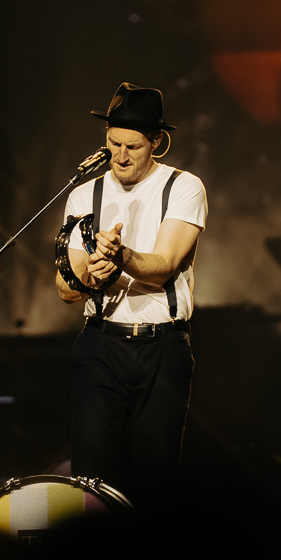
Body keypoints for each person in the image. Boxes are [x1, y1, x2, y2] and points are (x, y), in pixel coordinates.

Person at [55, 83, 207, 504]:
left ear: (156, 141)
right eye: (113, 143)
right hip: (99, 344)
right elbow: (65, 289)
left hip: (161, 346)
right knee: (92, 480)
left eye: (133, 146)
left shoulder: (183, 187)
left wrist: (120, 255)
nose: (120, 156)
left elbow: (163, 267)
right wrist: (92, 278)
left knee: (155, 480)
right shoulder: (84, 194)